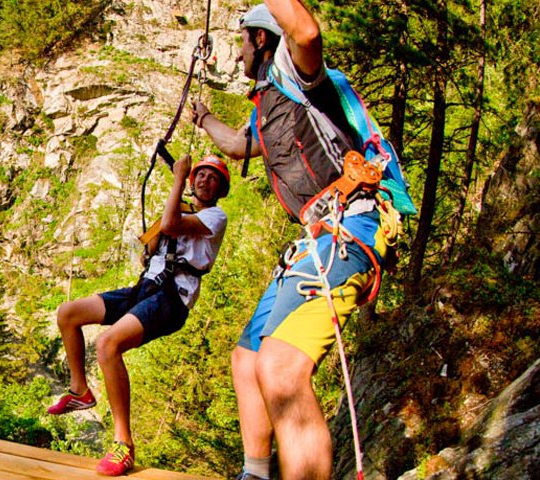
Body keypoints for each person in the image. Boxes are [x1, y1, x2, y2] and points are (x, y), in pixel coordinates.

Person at [190, 1, 398, 478]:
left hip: (350, 226)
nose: (238, 53)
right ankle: (257, 473)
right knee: (248, 360)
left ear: (261, 39)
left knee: (280, 369)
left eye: (242, 40)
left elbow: (304, 31)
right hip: (318, 238)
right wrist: (203, 121)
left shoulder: (292, 70)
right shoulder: (268, 104)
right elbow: (241, 146)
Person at [47, 155, 230, 476]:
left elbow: (172, 225)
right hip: (146, 287)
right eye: (199, 174)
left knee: (107, 345)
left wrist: (178, 177)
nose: (204, 180)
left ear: (221, 188)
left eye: (212, 177)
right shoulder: (180, 209)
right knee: (68, 313)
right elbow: (154, 241)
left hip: (172, 298)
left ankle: (123, 444)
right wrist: (150, 245)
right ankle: (80, 391)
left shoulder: (216, 216)